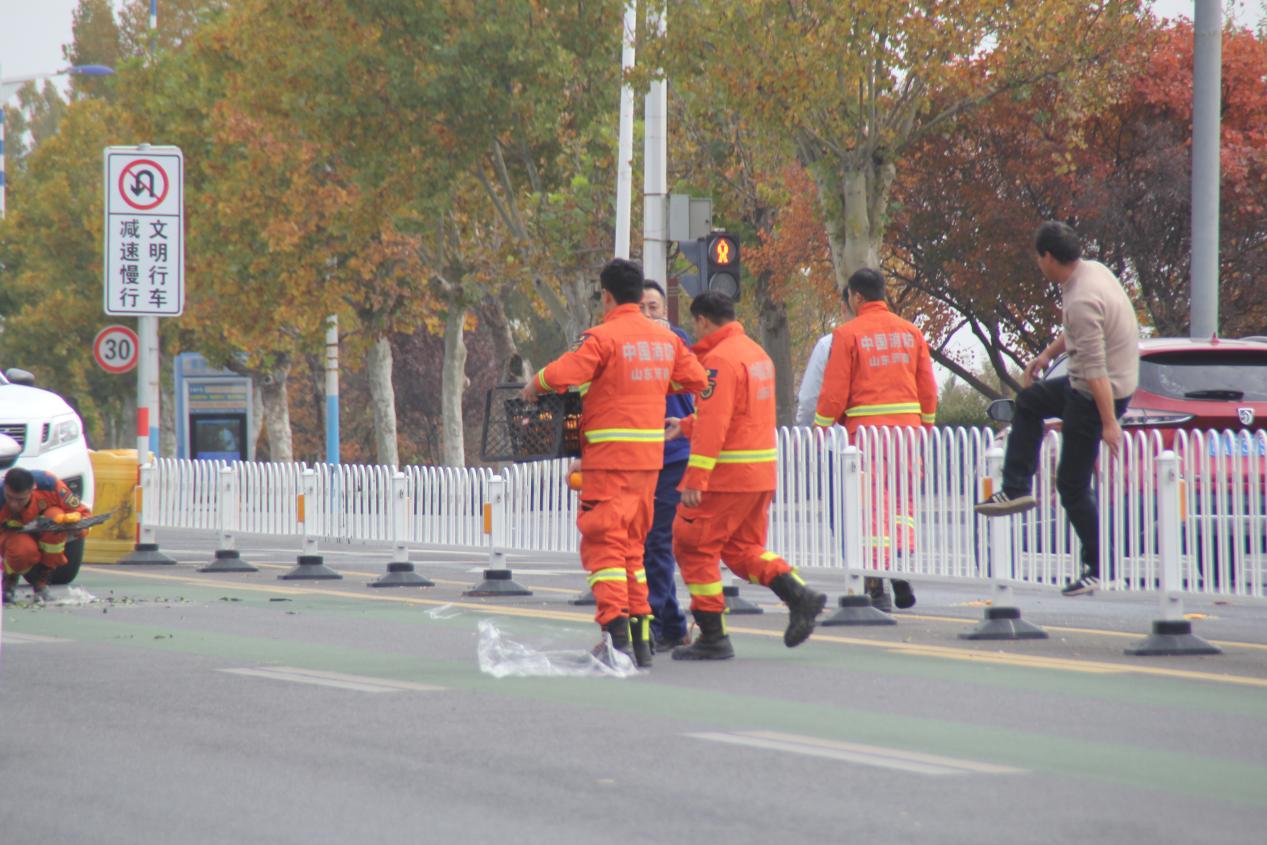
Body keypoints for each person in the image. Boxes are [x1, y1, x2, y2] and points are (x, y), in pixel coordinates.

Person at [522, 259, 708, 667]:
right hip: (649, 462)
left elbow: (562, 375)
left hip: (608, 461)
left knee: (603, 543)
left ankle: (614, 638)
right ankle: (641, 639)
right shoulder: (666, 341)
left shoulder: (601, 338)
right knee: (632, 548)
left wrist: (533, 385)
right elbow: (696, 379)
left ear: (606, 295)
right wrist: (658, 381)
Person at [976, 221, 1139, 597]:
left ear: (1048, 256)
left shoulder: (1082, 299)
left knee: (1071, 485)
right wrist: (1047, 354)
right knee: (1030, 401)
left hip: (1098, 393)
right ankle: (1016, 487)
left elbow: (1096, 369)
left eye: (1039, 257)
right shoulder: (1091, 272)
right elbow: (1080, 333)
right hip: (1087, 383)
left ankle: (1099, 566)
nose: (1039, 264)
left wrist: (1109, 423)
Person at [667, 291, 827, 661]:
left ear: (703, 320)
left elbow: (717, 422)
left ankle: (712, 634)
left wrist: (696, 478)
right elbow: (739, 415)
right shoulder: (756, 354)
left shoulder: (720, 361)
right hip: (759, 475)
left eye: (695, 324)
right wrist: (688, 425)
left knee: (694, 545)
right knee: (742, 551)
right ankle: (799, 595)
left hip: (726, 477)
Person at [814, 268, 937, 611]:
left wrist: (820, 428)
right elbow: (928, 389)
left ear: (856, 297)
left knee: (869, 512)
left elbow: (835, 392)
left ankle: (876, 588)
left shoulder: (847, 334)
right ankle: (900, 570)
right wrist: (923, 429)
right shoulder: (911, 332)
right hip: (907, 433)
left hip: (867, 435)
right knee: (901, 506)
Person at [638, 280, 694, 652]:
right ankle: (673, 624)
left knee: (658, 541)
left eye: (654, 307)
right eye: (640, 307)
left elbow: (693, 381)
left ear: (666, 312)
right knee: (646, 543)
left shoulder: (678, 341)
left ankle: (658, 621)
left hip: (674, 455)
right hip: (638, 457)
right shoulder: (627, 346)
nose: (647, 314)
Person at [1, 467, 91, 604]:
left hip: (47, 533)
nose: (14, 504)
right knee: (22, 551)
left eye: (20, 500)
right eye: (10, 498)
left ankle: (42, 582)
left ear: (33, 489)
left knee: (56, 516)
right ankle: (10, 579)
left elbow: (83, 514)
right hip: (13, 536)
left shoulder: (50, 485)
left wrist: (79, 529)